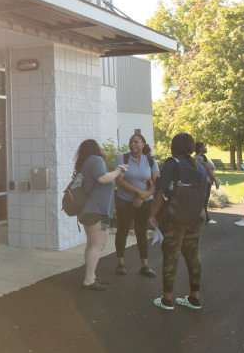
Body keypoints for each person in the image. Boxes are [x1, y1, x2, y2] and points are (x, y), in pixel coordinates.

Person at [147, 133, 208, 310]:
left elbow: (161, 192)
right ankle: (194, 298)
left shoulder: (172, 165)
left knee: (171, 257)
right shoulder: (200, 167)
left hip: (174, 219)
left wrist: (153, 215)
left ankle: (167, 300)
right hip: (196, 217)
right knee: (193, 256)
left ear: (174, 146)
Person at [75, 139, 126, 291]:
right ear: (96, 149)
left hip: (87, 210)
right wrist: (118, 170)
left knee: (92, 244)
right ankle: (89, 279)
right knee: (99, 244)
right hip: (96, 210)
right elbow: (103, 178)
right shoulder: (95, 160)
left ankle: (92, 276)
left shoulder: (85, 163)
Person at [113, 134, 160, 277]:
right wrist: (139, 191)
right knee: (123, 230)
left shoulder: (150, 161)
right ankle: (121, 264)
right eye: (130, 141)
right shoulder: (123, 159)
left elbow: (157, 182)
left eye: (136, 142)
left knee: (141, 232)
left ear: (143, 144)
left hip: (144, 203)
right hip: (124, 201)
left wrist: (143, 196)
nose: (132, 144)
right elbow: (119, 181)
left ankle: (145, 266)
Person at [194, 142, 220, 224]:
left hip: (197, 181)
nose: (206, 148)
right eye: (205, 146)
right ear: (200, 148)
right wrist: (215, 180)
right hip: (206, 181)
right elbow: (208, 169)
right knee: (205, 200)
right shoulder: (202, 157)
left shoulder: (194, 158)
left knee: (200, 200)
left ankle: (200, 217)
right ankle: (206, 218)